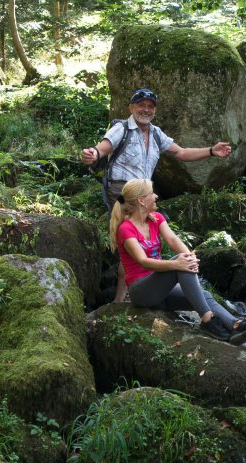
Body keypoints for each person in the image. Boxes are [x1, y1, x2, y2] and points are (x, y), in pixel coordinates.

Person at [83, 88, 234, 303]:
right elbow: (102, 149)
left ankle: (135, 291)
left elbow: (180, 153)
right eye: (141, 105)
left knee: (141, 240)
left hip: (144, 196)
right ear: (131, 107)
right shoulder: (122, 128)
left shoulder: (155, 133)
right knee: (130, 240)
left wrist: (211, 150)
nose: (146, 109)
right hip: (122, 193)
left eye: (150, 106)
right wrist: (93, 154)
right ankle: (121, 299)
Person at [110, 178, 246, 345]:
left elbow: (173, 240)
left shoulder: (156, 218)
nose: (155, 196)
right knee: (179, 261)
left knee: (203, 294)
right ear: (141, 200)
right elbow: (143, 261)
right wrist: (177, 263)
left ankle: (234, 326)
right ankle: (207, 320)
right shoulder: (126, 229)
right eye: (151, 193)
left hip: (161, 292)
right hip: (141, 292)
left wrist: (190, 257)